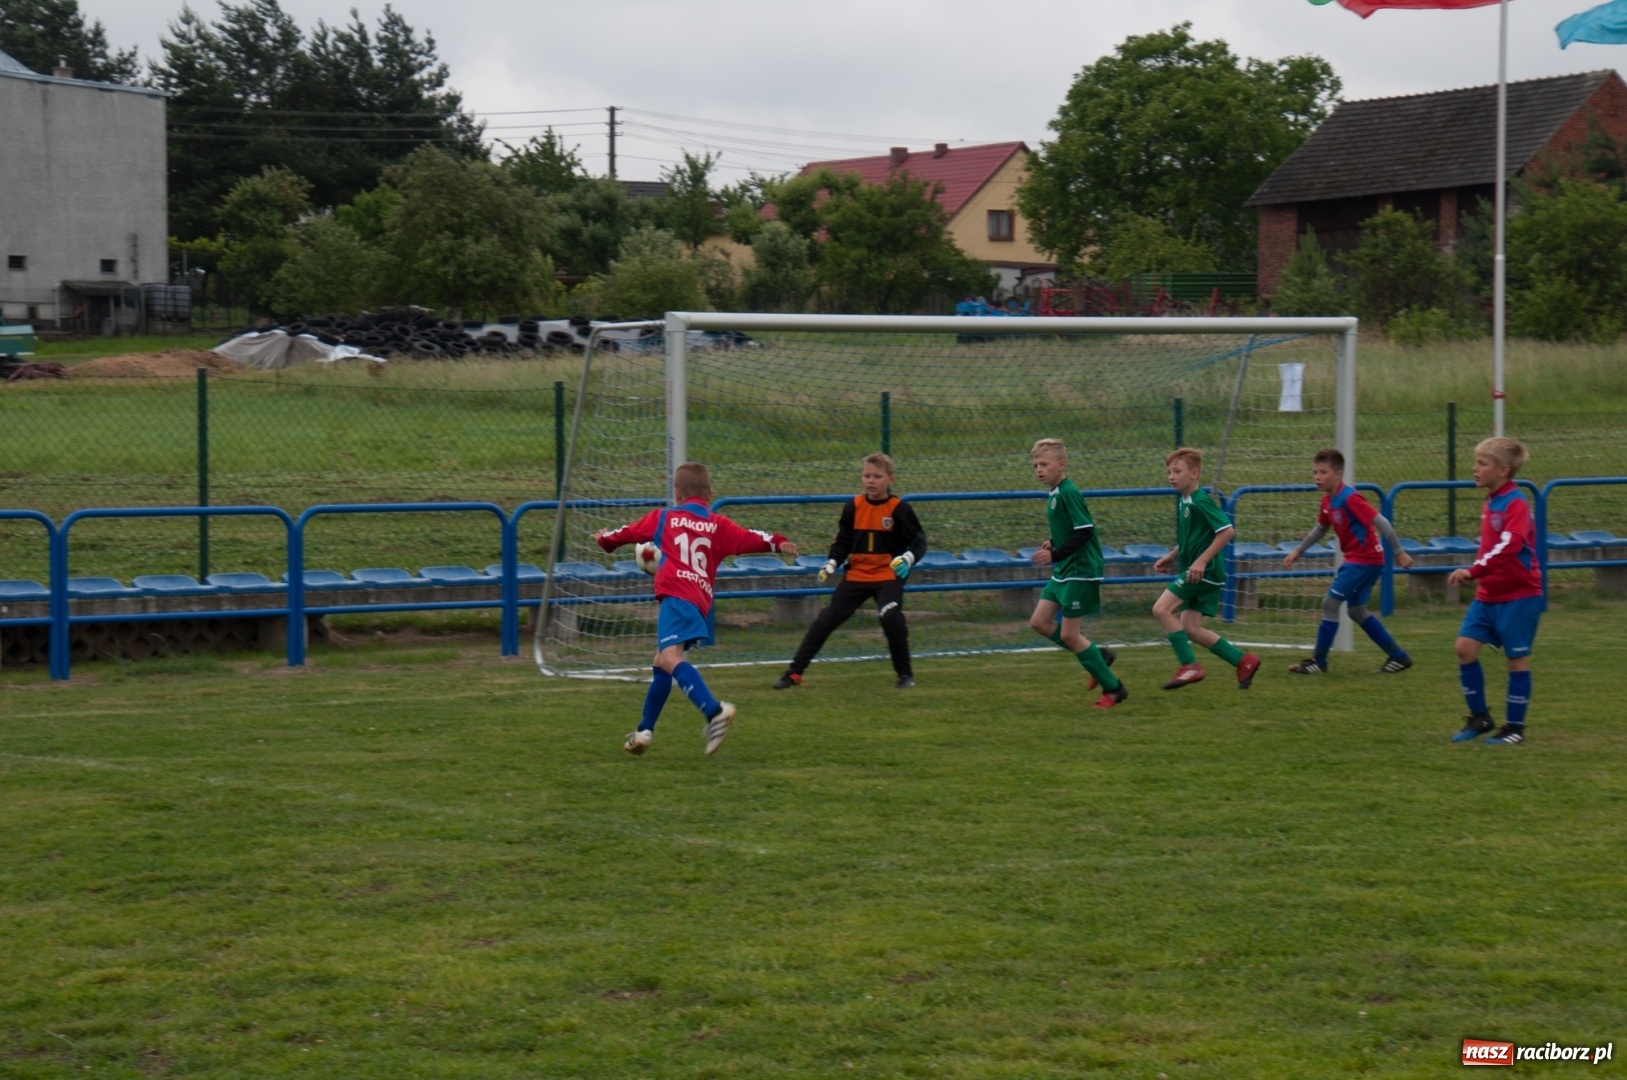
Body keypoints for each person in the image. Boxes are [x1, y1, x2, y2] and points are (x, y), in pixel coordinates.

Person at [595, 462, 798, 757]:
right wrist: (779, 543)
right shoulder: (719, 524)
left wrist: (605, 539)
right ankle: (644, 731)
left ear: (677, 494)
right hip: (699, 599)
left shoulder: (664, 518)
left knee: (669, 657)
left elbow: (628, 532)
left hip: (675, 593)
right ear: (710, 494)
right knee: (662, 661)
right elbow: (751, 537)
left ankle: (714, 711)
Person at [774, 453, 925, 690]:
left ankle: (904, 675)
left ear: (890, 479)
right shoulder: (853, 506)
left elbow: (919, 541)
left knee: (891, 617)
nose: (871, 481)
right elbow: (843, 542)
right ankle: (794, 673)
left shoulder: (899, 509)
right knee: (825, 620)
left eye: (877, 476)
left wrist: (908, 558)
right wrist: (831, 563)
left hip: (887, 577)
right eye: (867, 475)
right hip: (857, 576)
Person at [1283, 448, 1416, 674]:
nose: (1317, 477)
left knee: (1330, 604)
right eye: (1315, 472)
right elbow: (1321, 527)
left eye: (1323, 472)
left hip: (1364, 559)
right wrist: (1299, 550)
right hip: (1362, 560)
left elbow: (1381, 522)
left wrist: (1399, 552)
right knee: (1356, 612)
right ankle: (1398, 656)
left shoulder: (1350, 497)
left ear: (1338, 474)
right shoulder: (1328, 500)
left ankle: (1319, 662)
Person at [1447, 437, 1541, 745]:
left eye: (1482, 463)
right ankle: (1480, 718)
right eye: (1475, 462)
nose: (1474, 468)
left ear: (1503, 470)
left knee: (1516, 660)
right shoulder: (1491, 501)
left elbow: (1510, 545)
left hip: (1519, 594)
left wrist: (1473, 570)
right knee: (1464, 648)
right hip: (1489, 593)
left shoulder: (1515, 503)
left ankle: (1515, 728)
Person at [1025, 438, 1127, 708]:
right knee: (1039, 622)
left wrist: (1055, 553)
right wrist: (1053, 541)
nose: (1038, 469)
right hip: (1065, 568)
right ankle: (1098, 656)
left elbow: (1084, 531)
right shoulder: (1055, 491)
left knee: (1070, 635)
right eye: (1035, 465)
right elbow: (1069, 528)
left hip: (1081, 570)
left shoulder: (1069, 491)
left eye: (1044, 464)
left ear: (1062, 465)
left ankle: (1114, 689)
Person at [1151, 447, 1262, 690]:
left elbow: (1226, 531)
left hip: (1204, 572)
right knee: (1190, 628)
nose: (1171, 476)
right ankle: (1243, 660)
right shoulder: (1185, 501)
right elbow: (1192, 538)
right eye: (1169, 471)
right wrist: (1172, 556)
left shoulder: (1201, 501)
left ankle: (1189, 665)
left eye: (1177, 471)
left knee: (1161, 609)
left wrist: (1201, 561)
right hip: (1199, 571)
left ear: (1194, 473)